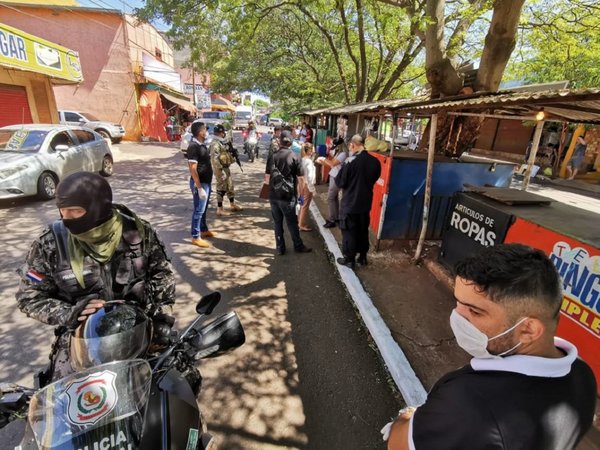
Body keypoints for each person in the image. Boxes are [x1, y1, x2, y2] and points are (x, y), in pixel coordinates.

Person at [385, 243, 596, 450]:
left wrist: (408, 416)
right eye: (457, 302)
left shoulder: (467, 405)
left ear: (529, 330)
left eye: (474, 312)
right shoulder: (583, 374)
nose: (457, 317)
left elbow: (398, 444)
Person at [16, 172, 176, 382]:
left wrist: (162, 316)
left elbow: (162, 275)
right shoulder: (50, 244)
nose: (67, 219)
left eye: (75, 211)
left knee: (170, 385)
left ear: (98, 208)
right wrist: (68, 313)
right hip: (80, 341)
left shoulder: (138, 233)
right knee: (67, 404)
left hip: (138, 330)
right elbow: (29, 297)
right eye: (62, 211)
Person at [334, 134, 381, 269]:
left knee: (349, 231)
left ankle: (349, 259)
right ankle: (362, 257)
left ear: (353, 145)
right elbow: (375, 178)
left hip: (350, 203)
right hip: (365, 203)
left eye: (350, 146)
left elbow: (339, 182)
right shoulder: (375, 161)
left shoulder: (350, 161)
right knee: (362, 230)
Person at [263, 130, 312, 255]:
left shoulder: (272, 156)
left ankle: (280, 248)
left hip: (274, 196)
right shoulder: (295, 157)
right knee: (291, 223)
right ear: (290, 142)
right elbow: (301, 180)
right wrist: (301, 196)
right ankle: (298, 246)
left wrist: (267, 194)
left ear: (280, 142)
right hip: (288, 197)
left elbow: (267, 178)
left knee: (277, 223)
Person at [187, 121, 214, 248]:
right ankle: (195, 236)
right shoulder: (193, 146)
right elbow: (192, 168)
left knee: (204, 209)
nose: (206, 131)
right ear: (199, 132)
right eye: (205, 129)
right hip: (201, 184)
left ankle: (203, 229)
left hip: (206, 183)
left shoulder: (202, 145)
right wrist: (199, 188)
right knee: (199, 210)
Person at [210, 124, 243, 216]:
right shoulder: (215, 144)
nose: (224, 134)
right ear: (221, 133)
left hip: (225, 167)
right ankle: (219, 209)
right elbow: (215, 159)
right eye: (223, 132)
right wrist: (220, 172)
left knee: (229, 186)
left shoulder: (221, 142)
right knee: (221, 187)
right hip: (220, 169)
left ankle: (232, 205)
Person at [318, 137, 349, 228]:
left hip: (337, 177)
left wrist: (323, 158)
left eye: (336, 146)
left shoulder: (343, 154)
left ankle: (332, 219)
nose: (335, 148)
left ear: (340, 145)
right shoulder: (340, 152)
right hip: (334, 175)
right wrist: (323, 161)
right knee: (334, 198)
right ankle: (336, 217)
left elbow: (332, 164)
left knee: (330, 198)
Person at [298, 143, 316, 231]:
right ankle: (301, 224)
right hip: (306, 186)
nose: (313, 151)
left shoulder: (302, 159)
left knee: (301, 203)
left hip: (300, 185)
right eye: (312, 149)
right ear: (308, 151)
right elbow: (310, 176)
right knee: (305, 205)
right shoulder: (308, 161)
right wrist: (311, 187)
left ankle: (299, 221)